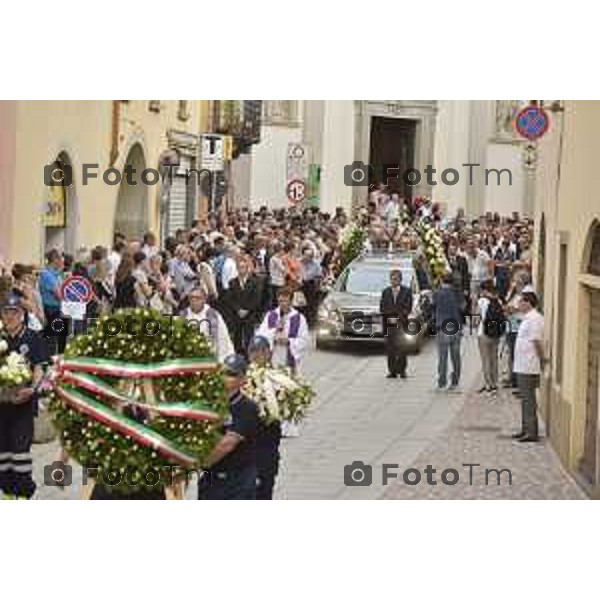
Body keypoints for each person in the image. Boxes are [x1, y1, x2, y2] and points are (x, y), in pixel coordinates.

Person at [0, 294, 48, 499]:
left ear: (22, 315)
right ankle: (7, 491)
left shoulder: (33, 337)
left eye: (14, 312)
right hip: (1, 405)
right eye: (6, 312)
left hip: (23, 405)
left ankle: (24, 492)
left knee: (20, 450)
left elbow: (39, 368)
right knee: (2, 451)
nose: (10, 316)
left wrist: (34, 389)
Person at [198, 354, 260, 500]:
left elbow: (227, 444)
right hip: (211, 479)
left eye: (231, 374)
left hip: (236, 482)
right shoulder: (209, 403)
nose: (225, 377)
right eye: (223, 372)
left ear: (242, 380)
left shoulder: (247, 407)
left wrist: (199, 463)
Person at [248, 335, 282, 500]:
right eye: (253, 351)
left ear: (269, 353)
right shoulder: (243, 378)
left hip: (268, 446)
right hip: (247, 448)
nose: (257, 355)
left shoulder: (278, 378)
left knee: (265, 491)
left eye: (261, 351)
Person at [512, 292, 545, 442]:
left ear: (528, 303)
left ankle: (532, 433)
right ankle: (525, 429)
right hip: (522, 364)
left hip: (529, 365)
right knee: (525, 400)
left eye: (521, 302)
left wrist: (542, 359)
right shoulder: (528, 318)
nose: (518, 305)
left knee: (528, 400)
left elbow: (536, 341)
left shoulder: (535, 319)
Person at [256, 287, 310, 376]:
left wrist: (289, 341)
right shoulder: (271, 315)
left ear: (291, 301)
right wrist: (274, 332)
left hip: (289, 356)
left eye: (286, 301)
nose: (283, 304)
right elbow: (260, 335)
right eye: (280, 301)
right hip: (273, 356)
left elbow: (304, 340)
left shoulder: (299, 318)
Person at [183, 287, 233, 363]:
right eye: (191, 298)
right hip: (188, 358)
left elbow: (223, 338)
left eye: (197, 298)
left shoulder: (213, 315)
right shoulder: (183, 315)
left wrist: (221, 359)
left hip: (210, 356)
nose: (194, 300)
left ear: (204, 299)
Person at [379, 270, 413, 379]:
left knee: (402, 348)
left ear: (400, 280)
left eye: (396, 279)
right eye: (392, 279)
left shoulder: (407, 291)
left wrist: (398, 319)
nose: (394, 281)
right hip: (389, 325)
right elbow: (382, 308)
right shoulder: (385, 292)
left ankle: (402, 370)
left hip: (402, 324)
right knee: (390, 349)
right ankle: (392, 371)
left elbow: (408, 308)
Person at [225, 255, 261, 356]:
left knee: (249, 335)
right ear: (237, 269)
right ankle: (238, 354)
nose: (241, 270)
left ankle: (249, 355)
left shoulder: (255, 282)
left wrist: (247, 310)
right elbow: (230, 299)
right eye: (239, 267)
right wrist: (238, 309)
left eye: (243, 267)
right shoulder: (232, 282)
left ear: (247, 268)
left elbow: (256, 298)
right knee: (237, 336)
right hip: (236, 314)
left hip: (250, 313)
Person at [433, 273, 463, 391]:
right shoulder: (457, 293)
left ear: (442, 280)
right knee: (456, 356)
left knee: (442, 356)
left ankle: (442, 382)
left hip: (442, 326)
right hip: (456, 325)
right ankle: (455, 382)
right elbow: (463, 307)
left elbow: (433, 305)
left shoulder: (437, 293)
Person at [476, 282, 504, 395]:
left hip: (483, 333)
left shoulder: (481, 301)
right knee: (494, 359)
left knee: (485, 360)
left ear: (484, 290)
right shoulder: (498, 301)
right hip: (496, 334)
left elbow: (476, 319)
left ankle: (488, 385)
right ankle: (494, 384)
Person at [38, 248, 65, 354]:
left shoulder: (57, 274)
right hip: (52, 309)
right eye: (60, 258)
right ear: (55, 259)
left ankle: (60, 358)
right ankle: (51, 361)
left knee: (61, 337)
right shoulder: (47, 274)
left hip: (59, 308)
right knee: (52, 339)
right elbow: (59, 294)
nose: (62, 261)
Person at [300, 246, 322, 327]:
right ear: (303, 254)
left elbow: (319, 274)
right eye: (306, 255)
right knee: (300, 304)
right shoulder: (299, 262)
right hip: (300, 285)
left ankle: (310, 322)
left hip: (311, 285)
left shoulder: (316, 263)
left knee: (311, 304)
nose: (308, 257)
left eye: (310, 255)